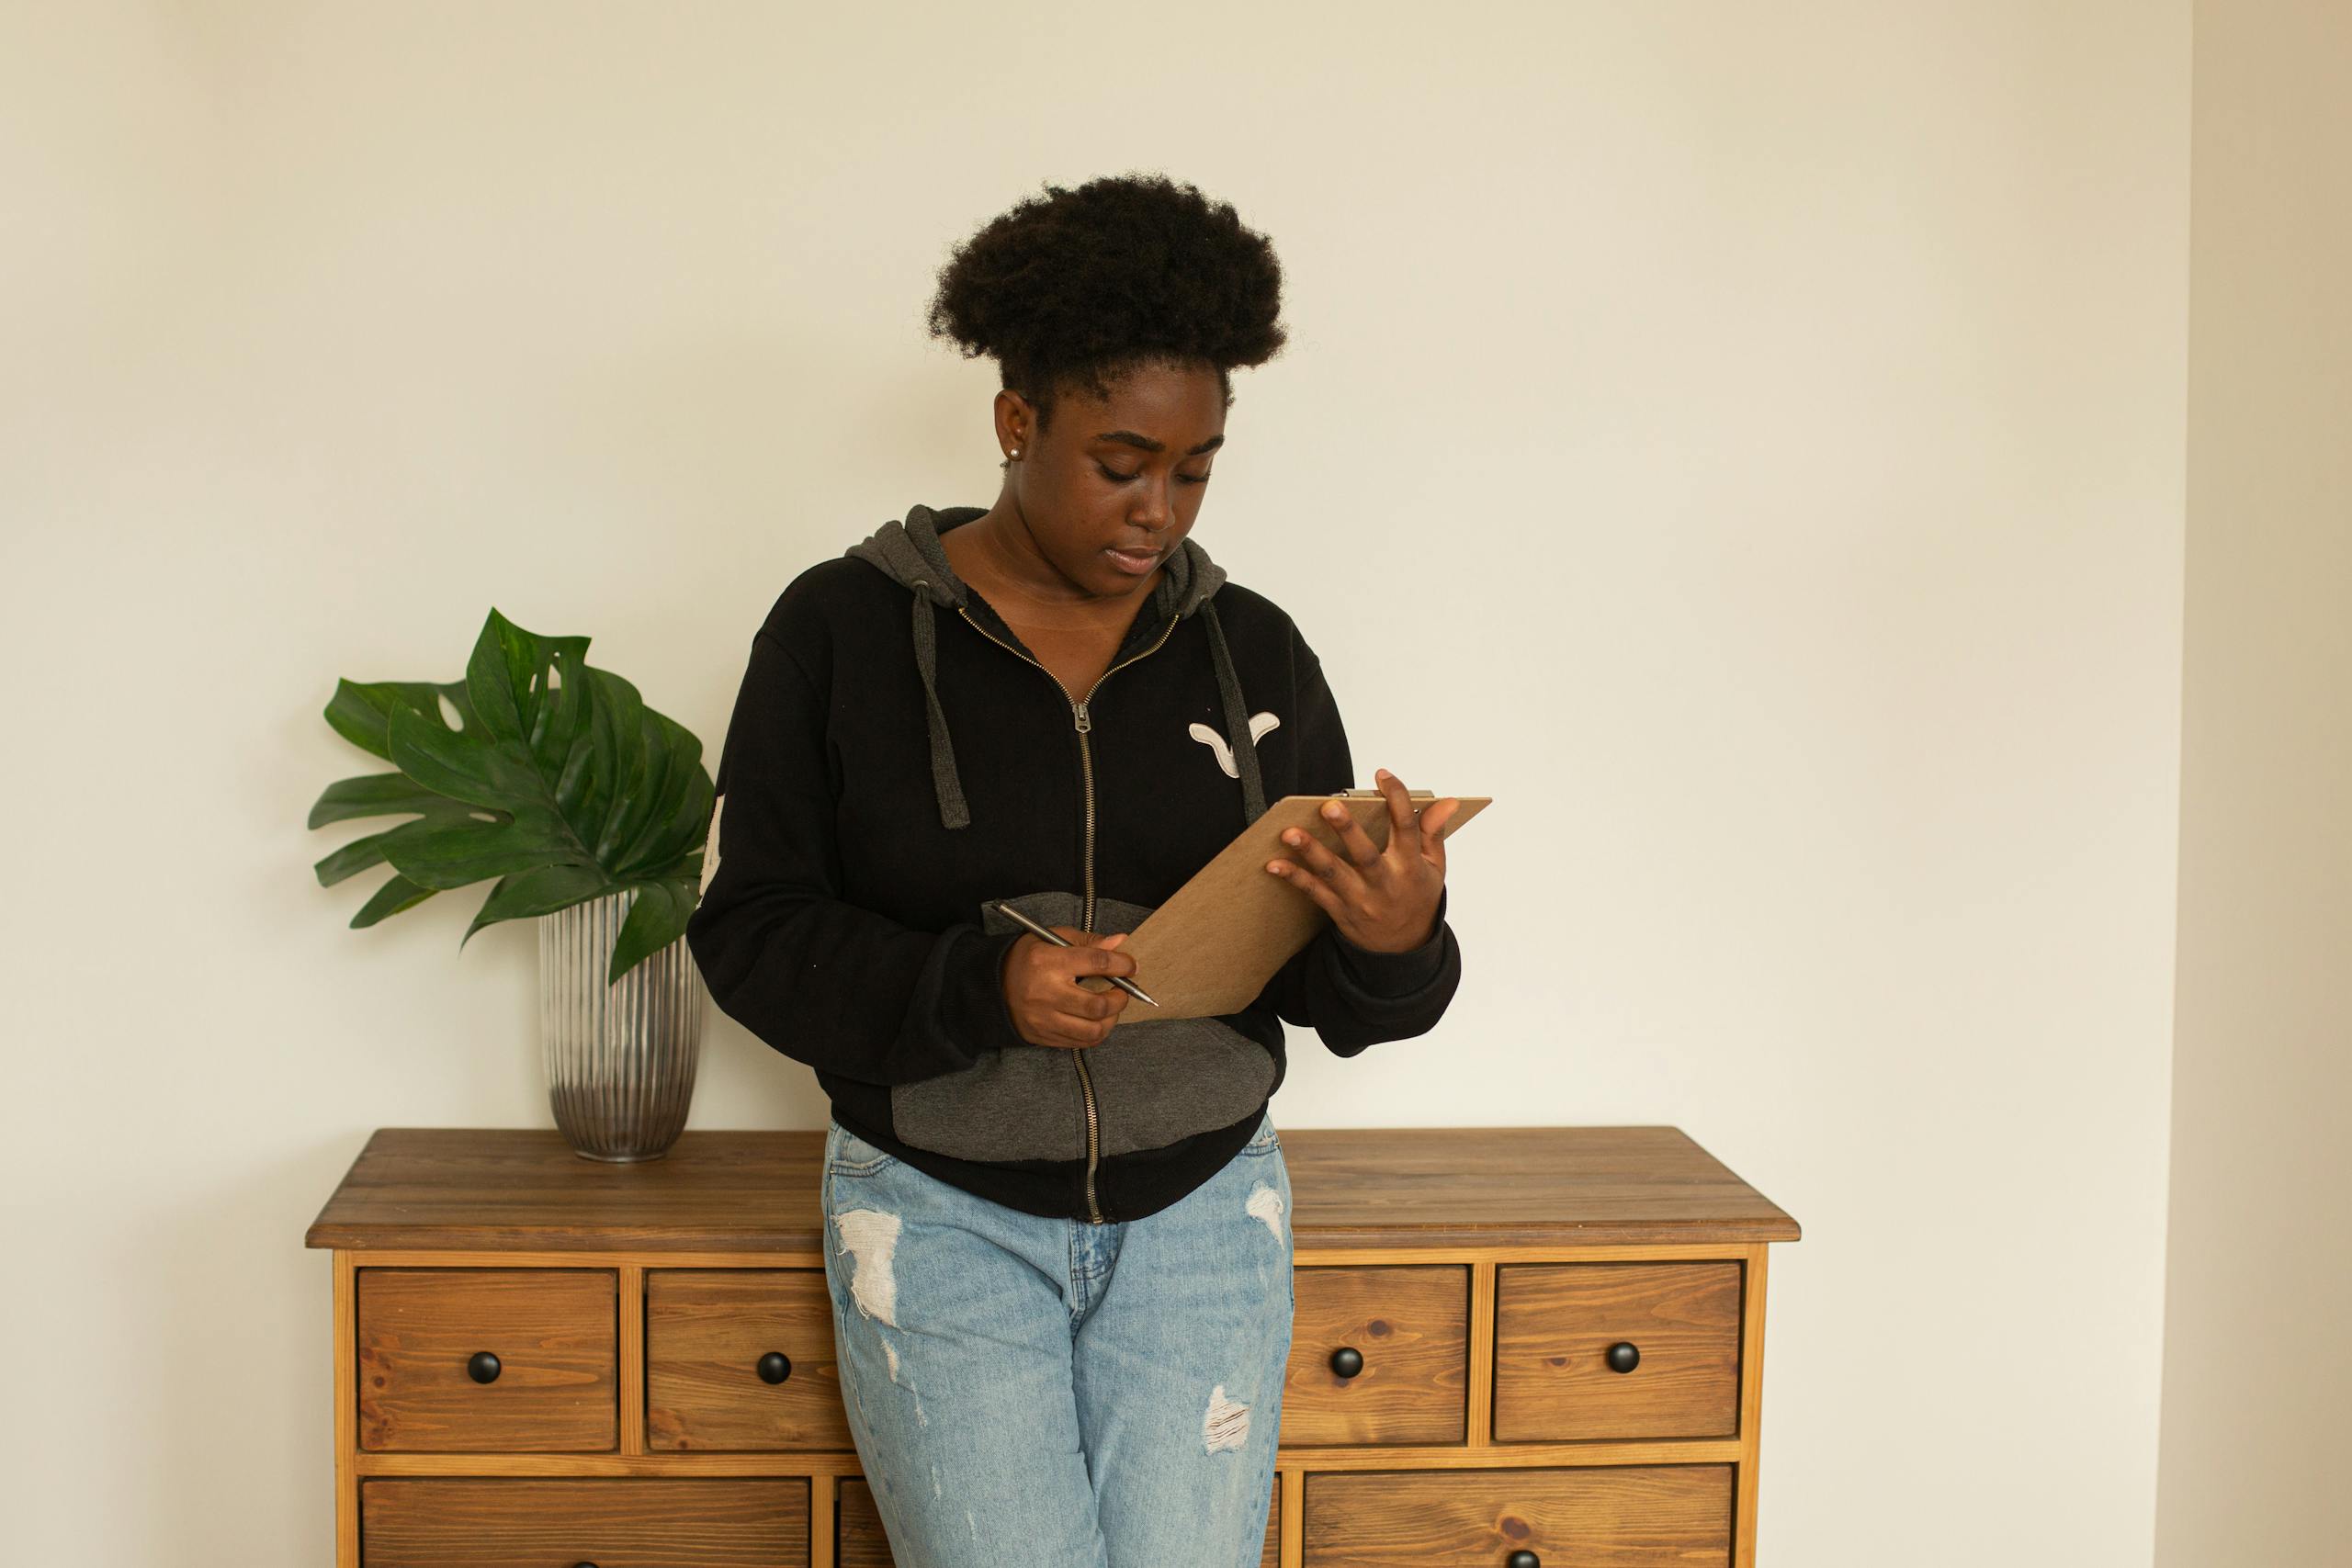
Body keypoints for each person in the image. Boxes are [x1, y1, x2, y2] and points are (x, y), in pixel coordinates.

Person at [685, 172, 1464, 1568]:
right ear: (1015, 420)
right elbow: (751, 932)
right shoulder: (840, 633)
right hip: (937, 1217)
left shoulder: (1258, 653)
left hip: (1207, 1218)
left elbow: (1347, 1002)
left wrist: (1400, 935)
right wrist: (985, 988)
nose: (1158, 507)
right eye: (1120, 461)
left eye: (1195, 467)